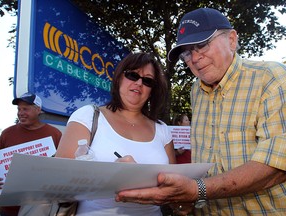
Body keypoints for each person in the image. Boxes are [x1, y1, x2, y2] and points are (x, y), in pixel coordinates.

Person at [115, 8, 286, 215]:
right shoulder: (196, 90)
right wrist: (186, 200)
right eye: (187, 52)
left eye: (202, 44)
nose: (194, 58)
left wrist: (197, 190)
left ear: (232, 40)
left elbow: (276, 166)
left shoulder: (270, 77)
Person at [55, 52, 176, 216]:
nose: (139, 83)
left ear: (152, 91)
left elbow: (175, 187)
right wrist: (114, 177)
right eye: (132, 75)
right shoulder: (88, 116)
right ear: (119, 78)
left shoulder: (162, 130)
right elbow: (57, 182)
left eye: (147, 80)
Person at [0, 92, 62, 216]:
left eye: (25, 109)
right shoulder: (7, 133)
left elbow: (64, 166)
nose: (21, 112)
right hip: (9, 208)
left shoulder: (54, 134)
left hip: (42, 207)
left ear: (38, 110)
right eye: (19, 109)